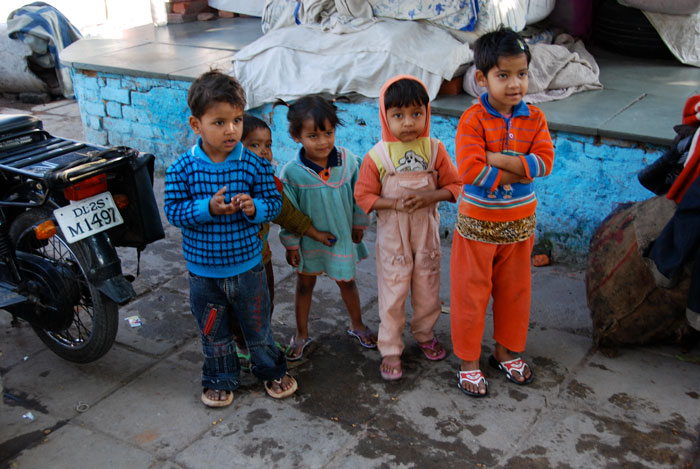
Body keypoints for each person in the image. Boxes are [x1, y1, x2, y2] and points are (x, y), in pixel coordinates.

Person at [164, 70, 297, 407]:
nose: (231, 130)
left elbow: (273, 203)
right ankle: (221, 378)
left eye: (236, 120)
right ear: (196, 125)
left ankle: (270, 370)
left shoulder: (252, 164)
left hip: (249, 268)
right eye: (219, 122)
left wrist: (256, 208)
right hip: (204, 273)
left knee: (258, 327)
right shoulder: (182, 168)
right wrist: (207, 208)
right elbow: (174, 212)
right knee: (214, 331)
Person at [451, 27, 555, 397]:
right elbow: (471, 172)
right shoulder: (473, 120)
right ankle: (467, 360)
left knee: (515, 291)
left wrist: (497, 160)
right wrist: (517, 165)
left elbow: (546, 163)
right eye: (504, 75)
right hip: (478, 225)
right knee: (471, 294)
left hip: (520, 224)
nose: (515, 85)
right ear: (482, 78)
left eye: (522, 74)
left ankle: (505, 351)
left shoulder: (535, 118)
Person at [354, 75, 461, 381]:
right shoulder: (378, 156)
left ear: (428, 113)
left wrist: (430, 196)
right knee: (394, 289)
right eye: (398, 115)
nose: (409, 122)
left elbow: (455, 186)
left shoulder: (435, 149)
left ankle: (425, 334)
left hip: (426, 233)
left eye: (417, 113)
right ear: (385, 117)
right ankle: (390, 348)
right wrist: (395, 204)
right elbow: (363, 196)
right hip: (393, 237)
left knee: (428, 285)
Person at [231, 114, 336, 369]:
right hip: (233, 263)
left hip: (261, 257)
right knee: (236, 308)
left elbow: (287, 214)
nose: (264, 152)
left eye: (267, 145)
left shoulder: (270, 182)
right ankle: (242, 346)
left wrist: (316, 234)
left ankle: (260, 340)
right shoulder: (228, 181)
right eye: (254, 145)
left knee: (264, 301)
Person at [278, 95, 377, 360]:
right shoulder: (291, 173)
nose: (323, 142)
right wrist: (290, 244)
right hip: (308, 242)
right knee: (303, 285)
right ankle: (300, 333)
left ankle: (357, 324)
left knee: (347, 282)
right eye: (313, 136)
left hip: (341, 236)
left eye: (328, 133)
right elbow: (287, 213)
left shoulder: (348, 161)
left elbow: (361, 193)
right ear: (296, 136)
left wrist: (359, 224)